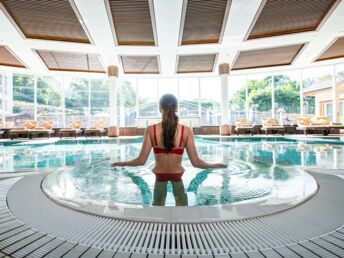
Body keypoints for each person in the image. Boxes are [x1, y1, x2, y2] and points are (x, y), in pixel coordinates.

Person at [111, 94, 227, 206]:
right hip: (177, 175)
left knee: (158, 207)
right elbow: (196, 163)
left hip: (159, 176)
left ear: (160, 109)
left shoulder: (151, 130)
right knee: (182, 210)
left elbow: (141, 161)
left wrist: (124, 163)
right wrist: (213, 165)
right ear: (177, 108)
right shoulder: (186, 131)